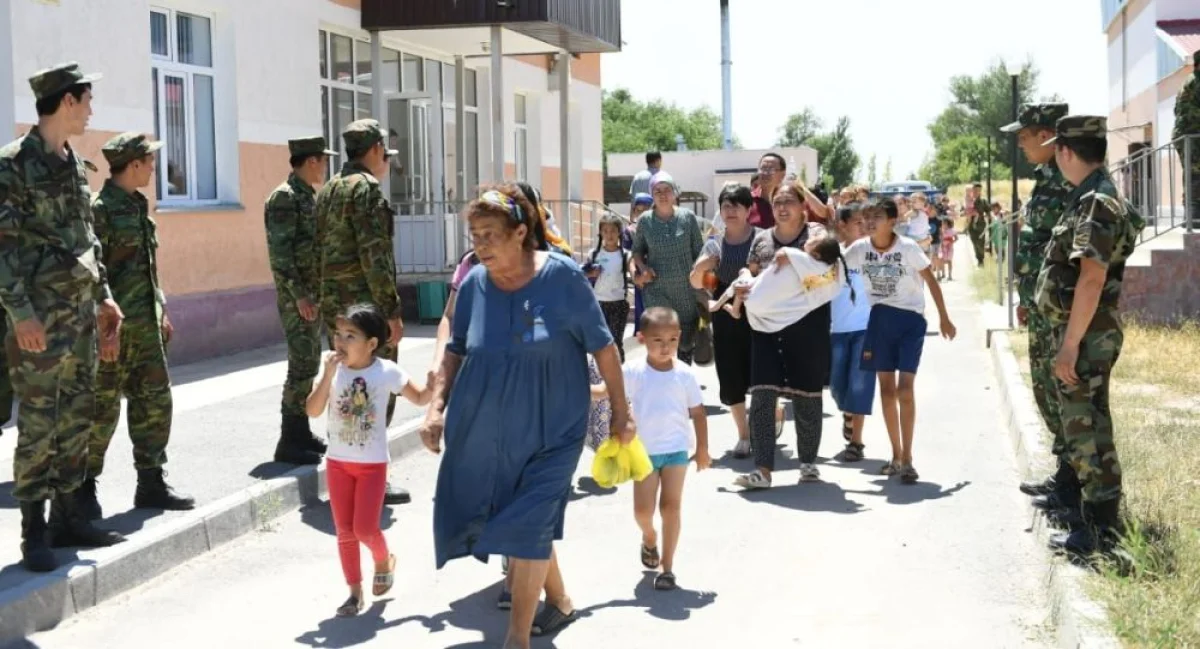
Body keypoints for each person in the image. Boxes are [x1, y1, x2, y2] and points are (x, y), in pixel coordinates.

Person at [420, 186, 632, 648]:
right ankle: (559, 600)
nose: (481, 245)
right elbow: (455, 349)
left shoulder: (561, 278)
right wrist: (437, 407)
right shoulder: (475, 283)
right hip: (490, 427)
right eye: (475, 235)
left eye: (491, 234)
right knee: (518, 514)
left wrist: (621, 411)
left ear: (521, 232)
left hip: (556, 423)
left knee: (529, 518)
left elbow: (604, 346)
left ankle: (517, 639)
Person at [0, 62, 128, 571]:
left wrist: (104, 294)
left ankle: (69, 516)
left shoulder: (75, 163)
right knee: (38, 423)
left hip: (78, 315)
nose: (92, 110)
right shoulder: (12, 165)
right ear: (67, 101)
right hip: (37, 321)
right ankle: (33, 531)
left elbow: (86, 240)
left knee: (78, 415)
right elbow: (3, 248)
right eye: (87, 99)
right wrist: (21, 315)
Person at [1036, 115, 1145, 557]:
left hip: (1087, 334)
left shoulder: (1097, 201)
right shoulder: (1092, 195)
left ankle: (1100, 532)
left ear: (1065, 151)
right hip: (1087, 332)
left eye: (1056, 150)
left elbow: (1091, 279)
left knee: (1088, 430)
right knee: (1089, 424)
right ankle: (1096, 521)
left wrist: (1069, 343)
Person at [84, 132, 194, 520]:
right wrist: (104, 328)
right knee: (101, 411)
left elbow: (147, 270)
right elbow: (93, 276)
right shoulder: (99, 210)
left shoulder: (137, 205)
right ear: (133, 164)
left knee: (154, 404)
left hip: (145, 328)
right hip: (113, 332)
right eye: (149, 161)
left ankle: (151, 483)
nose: (153, 167)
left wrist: (160, 308)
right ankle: (83, 490)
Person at [306, 304, 434, 617]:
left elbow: (418, 397)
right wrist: (328, 375)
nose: (340, 342)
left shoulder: (385, 371)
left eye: (351, 336)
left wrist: (434, 385)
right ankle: (354, 592)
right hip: (337, 462)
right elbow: (312, 410)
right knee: (344, 531)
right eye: (338, 334)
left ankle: (383, 558)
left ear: (372, 344)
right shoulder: (330, 368)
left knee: (364, 528)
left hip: (372, 465)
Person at [314, 118, 410, 506]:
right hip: (366, 311)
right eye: (384, 152)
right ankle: (371, 476)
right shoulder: (366, 190)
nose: (385, 160)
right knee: (375, 388)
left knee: (343, 389)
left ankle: (345, 470)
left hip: (335, 308)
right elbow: (375, 254)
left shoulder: (329, 190)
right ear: (373, 150)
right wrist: (390, 310)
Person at [843, 199, 957, 484]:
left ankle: (908, 456)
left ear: (893, 221)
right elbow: (833, 269)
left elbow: (931, 280)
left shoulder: (907, 248)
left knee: (905, 389)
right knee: (886, 390)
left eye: (877, 217)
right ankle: (896, 457)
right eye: (867, 217)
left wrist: (944, 317)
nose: (870, 222)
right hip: (879, 321)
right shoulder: (859, 250)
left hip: (910, 322)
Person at [732, 181, 832, 489]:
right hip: (765, 327)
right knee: (762, 395)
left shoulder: (815, 236)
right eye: (777, 202)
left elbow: (826, 273)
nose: (782, 207)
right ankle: (762, 470)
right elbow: (748, 270)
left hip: (807, 326)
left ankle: (808, 463)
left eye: (789, 201)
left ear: (803, 206)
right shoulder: (761, 239)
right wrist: (744, 280)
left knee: (807, 396)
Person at [999, 103, 1074, 510]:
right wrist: (1026, 299)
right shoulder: (1046, 177)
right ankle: (1066, 474)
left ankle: (1074, 484)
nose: (1021, 145)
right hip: (1041, 303)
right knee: (1046, 391)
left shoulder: (1067, 180)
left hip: (1060, 306)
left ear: (1047, 135)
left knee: (1062, 393)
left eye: (1025, 136)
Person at [265, 136, 339, 466]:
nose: (324, 166)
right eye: (322, 160)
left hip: (311, 294)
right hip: (299, 298)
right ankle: (288, 439)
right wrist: (300, 296)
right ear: (311, 161)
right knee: (302, 365)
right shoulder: (285, 198)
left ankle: (301, 431)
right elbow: (280, 255)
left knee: (308, 363)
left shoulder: (306, 196)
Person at [623, 307, 709, 591]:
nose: (666, 347)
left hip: (676, 451)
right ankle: (649, 538)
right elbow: (611, 394)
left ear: (680, 338)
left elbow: (697, 413)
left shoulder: (684, 375)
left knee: (671, 507)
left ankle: (667, 568)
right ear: (642, 339)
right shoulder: (633, 371)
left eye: (672, 340)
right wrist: (586, 388)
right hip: (644, 453)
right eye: (657, 340)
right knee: (643, 511)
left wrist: (703, 449)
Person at [689, 183, 759, 458]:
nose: (730, 211)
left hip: (760, 312)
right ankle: (744, 436)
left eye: (736, 206)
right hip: (726, 313)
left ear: (748, 210)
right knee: (730, 374)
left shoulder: (762, 239)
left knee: (762, 372)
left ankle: (767, 418)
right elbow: (698, 281)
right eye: (725, 206)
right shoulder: (714, 243)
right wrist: (704, 267)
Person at [631, 172, 703, 364]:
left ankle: (682, 386)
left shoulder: (688, 218)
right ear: (651, 194)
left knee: (685, 344)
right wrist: (642, 267)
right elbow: (636, 251)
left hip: (685, 291)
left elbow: (700, 253)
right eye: (657, 191)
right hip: (657, 291)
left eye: (667, 190)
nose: (662, 194)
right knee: (660, 342)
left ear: (675, 193)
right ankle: (660, 384)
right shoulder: (645, 221)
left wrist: (704, 282)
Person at [829, 204, 874, 461]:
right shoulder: (831, 255)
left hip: (865, 329)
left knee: (860, 382)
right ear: (842, 225)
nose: (863, 226)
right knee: (836, 385)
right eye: (857, 222)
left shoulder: (872, 253)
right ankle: (847, 412)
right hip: (837, 329)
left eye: (865, 222)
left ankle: (856, 443)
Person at [584, 214, 633, 362]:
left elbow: (633, 271)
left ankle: (620, 374)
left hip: (618, 304)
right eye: (605, 231)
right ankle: (599, 376)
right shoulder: (593, 254)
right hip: (597, 304)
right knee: (599, 342)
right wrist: (590, 273)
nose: (609, 234)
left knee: (615, 341)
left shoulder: (625, 255)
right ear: (600, 233)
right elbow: (583, 275)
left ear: (619, 232)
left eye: (613, 230)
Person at [1171, 50, 1200, 225]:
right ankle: (1194, 216)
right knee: (1195, 174)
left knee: (1191, 173)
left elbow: (1177, 110)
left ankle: (1190, 214)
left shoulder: (1188, 81)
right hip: (1192, 134)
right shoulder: (1197, 81)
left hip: (1184, 134)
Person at [628, 192, 653, 333]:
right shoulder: (630, 231)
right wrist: (635, 277)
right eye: (638, 210)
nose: (642, 213)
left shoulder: (660, 230)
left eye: (646, 210)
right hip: (641, 281)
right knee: (643, 324)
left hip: (659, 279)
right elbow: (629, 256)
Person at [965, 183, 990, 266]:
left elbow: (988, 211)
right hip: (971, 225)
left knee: (981, 242)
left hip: (980, 225)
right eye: (975, 190)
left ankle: (981, 259)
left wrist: (990, 216)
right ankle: (979, 258)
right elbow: (963, 210)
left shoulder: (983, 201)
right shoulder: (969, 200)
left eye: (978, 190)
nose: (976, 192)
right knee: (975, 242)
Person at [939, 216, 959, 280]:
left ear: (948, 224)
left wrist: (951, 242)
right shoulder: (941, 230)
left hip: (950, 248)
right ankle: (943, 274)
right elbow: (939, 238)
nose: (943, 225)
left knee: (949, 260)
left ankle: (950, 275)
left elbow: (956, 238)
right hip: (942, 247)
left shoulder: (952, 230)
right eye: (942, 223)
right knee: (942, 260)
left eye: (945, 223)